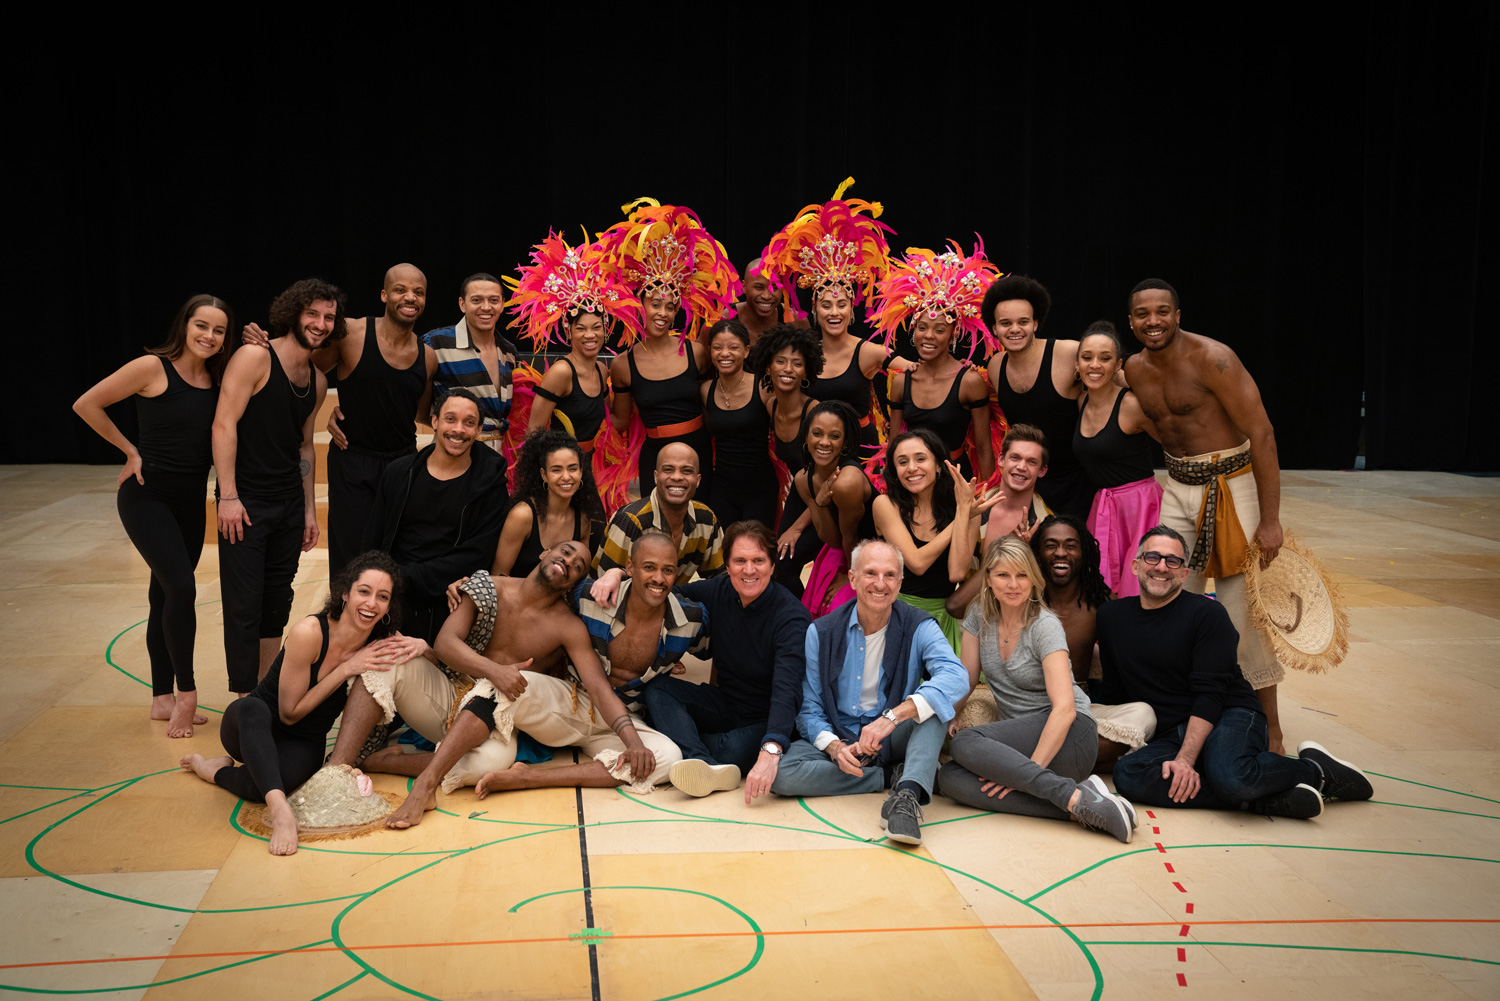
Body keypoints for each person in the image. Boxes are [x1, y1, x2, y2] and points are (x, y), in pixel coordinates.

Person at [1100, 527, 1373, 816]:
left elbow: (1210, 695)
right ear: (1136, 564)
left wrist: (1185, 760)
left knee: (1232, 777)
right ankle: (1260, 799)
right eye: (1152, 557)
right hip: (1172, 730)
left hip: (1228, 714)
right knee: (1129, 773)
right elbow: (1115, 693)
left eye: (1173, 561)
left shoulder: (1207, 614)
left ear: (1184, 574)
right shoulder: (1112, 617)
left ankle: (1317, 771)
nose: (1161, 567)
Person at [322, 540, 597, 828]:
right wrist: (495, 671)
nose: (568, 561)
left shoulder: (566, 626)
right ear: (545, 552)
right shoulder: (487, 586)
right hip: (452, 693)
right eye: (565, 552)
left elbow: (595, 686)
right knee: (388, 658)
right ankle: (335, 773)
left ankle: (380, 762)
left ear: (572, 586)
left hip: (499, 718)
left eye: (577, 566)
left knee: (488, 766)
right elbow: (445, 644)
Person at [1122, 279, 1289, 753]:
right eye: (1142, 314)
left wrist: (1270, 520)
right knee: (1163, 593)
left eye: (1162, 312)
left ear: (1178, 314)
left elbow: (1263, 432)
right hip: (1178, 485)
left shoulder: (1214, 358)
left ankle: (1271, 729)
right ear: (1130, 321)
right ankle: (1179, 713)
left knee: (1243, 612)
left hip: (1234, 485)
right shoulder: (1132, 368)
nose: (1152, 321)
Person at [73, 294, 235, 736]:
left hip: (188, 503)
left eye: (219, 330)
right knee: (182, 588)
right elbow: (86, 403)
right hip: (146, 497)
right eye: (201, 325)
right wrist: (130, 450)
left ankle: (160, 698)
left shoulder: (219, 378)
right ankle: (186, 695)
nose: (209, 336)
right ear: (184, 325)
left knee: (163, 595)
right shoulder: (151, 368)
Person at [179, 552, 414, 855]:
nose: (371, 603)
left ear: (388, 607)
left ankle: (211, 770)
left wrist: (421, 645)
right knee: (252, 707)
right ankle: (281, 814)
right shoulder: (310, 633)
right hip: (251, 726)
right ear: (345, 593)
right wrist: (346, 668)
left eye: (382, 597)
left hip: (303, 741)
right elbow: (289, 713)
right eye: (364, 591)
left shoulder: (380, 642)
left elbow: (428, 660)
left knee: (272, 784)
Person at [466, 531, 708, 799]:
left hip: (624, 719)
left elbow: (727, 641)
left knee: (668, 757)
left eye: (668, 570)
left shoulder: (691, 619)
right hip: (570, 700)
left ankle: (528, 777)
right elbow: (534, 593)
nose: (658, 578)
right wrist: (470, 588)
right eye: (649, 567)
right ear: (629, 567)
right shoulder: (589, 596)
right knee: (510, 682)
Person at [771, 540, 970, 847]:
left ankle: (906, 797)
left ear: (900, 582)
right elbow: (809, 707)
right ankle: (891, 777)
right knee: (782, 775)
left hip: (893, 735)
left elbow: (956, 675)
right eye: (871, 573)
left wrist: (893, 717)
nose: (880, 584)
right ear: (852, 579)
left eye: (890, 575)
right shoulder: (821, 632)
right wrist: (835, 748)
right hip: (842, 734)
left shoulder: (918, 625)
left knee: (932, 709)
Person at [936, 538, 1136, 843]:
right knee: (949, 779)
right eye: (1003, 575)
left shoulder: (1045, 625)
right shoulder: (979, 616)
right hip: (1019, 742)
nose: (1013, 584)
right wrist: (954, 711)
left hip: (1070, 736)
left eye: (1022, 575)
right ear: (988, 578)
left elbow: (1065, 709)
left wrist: (1027, 773)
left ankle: (1067, 794)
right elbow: (967, 678)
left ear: (1034, 580)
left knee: (965, 744)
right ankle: (1084, 805)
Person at [594, 521, 811, 800]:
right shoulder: (720, 590)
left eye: (758, 560)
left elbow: (787, 691)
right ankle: (702, 762)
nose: (749, 570)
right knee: (657, 690)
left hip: (767, 717)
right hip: (726, 703)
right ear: (728, 565)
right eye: (740, 560)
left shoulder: (791, 617)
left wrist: (771, 749)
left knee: (729, 750)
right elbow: (662, 590)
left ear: (771, 566)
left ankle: (689, 745)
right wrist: (616, 574)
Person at [212, 279, 335, 694]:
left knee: (276, 602)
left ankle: (263, 689)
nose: (320, 324)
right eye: (313, 314)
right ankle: (245, 698)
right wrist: (227, 496)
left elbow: (304, 446)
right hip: (245, 500)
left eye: (329, 317)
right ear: (293, 313)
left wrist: (306, 511)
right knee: (244, 604)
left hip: (286, 503)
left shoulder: (316, 380)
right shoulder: (255, 357)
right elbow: (223, 424)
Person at [759, 181, 911, 456]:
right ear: (815, 308)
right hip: (814, 453)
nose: (834, 312)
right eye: (826, 305)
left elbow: (917, 372)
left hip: (861, 455)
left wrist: (962, 370)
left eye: (841, 304)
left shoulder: (869, 352)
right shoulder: (803, 352)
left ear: (852, 308)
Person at [601, 201, 739, 497]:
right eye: (655, 304)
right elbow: (620, 422)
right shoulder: (624, 364)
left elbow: (719, 399)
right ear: (640, 305)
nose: (662, 313)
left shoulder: (697, 352)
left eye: (670, 306)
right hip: (656, 458)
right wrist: (590, 390)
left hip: (699, 452)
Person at [363, 389, 509, 644]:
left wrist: (401, 578)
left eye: (469, 423)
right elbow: (373, 541)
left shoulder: (490, 485)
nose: (458, 430)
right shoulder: (399, 473)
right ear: (434, 421)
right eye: (450, 419)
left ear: (478, 430)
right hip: (392, 595)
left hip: (450, 599)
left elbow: (476, 554)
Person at [316, 264, 435, 576]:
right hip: (353, 461)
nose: (410, 297)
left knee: (395, 557)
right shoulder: (351, 333)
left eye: (418, 292)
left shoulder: (428, 357)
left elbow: (421, 413)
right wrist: (321, 414)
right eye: (400, 290)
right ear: (384, 295)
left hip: (402, 465)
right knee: (351, 559)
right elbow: (305, 372)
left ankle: (390, 624)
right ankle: (342, 621)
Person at [874, 242, 1001, 480]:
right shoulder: (902, 381)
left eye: (939, 329)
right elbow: (894, 446)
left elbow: (983, 448)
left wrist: (986, 499)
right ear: (914, 331)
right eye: (922, 327)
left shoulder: (969, 381)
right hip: (913, 481)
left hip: (955, 481)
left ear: (953, 334)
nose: (929, 336)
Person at [871, 429, 999, 649]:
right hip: (897, 615)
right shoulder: (885, 505)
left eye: (921, 459)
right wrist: (963, 515)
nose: (911, 468)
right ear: (894, 471)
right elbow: (917, 563)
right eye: (902, 462)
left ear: (939, 465)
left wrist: (962, 512)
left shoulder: (962, 507)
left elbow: (957, 573)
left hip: (942, 622)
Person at [983, 274, 1096, 520]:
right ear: (994, 328)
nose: (1014, 329)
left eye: (1023, 321)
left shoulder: (1068, 353)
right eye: (1005, 323)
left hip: (1077, 482)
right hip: (1027, 482)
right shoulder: (995, 366)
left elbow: (1114, 373)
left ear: (1036, 323)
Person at [1074, 321, 1161, 598]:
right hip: (1104, 506)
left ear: (1118, 365)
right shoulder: (1082, 401)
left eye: (1105, 358)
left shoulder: (1131, 405)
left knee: (1141, 587)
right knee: (1103, 588)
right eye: (1087, 357)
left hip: (1139, 507)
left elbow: (1173, 439)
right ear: (1077, 364)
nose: (1095, 365)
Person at [782, 401, 880, 615]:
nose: (824, 442)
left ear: (845, 443)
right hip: (842, 548)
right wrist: (820, 502)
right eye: (817, 434)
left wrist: (851, 576)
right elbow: (831, 539)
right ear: (806, 438)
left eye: (834, 436)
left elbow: (851, 536)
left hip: (873, 552)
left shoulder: (847, 482)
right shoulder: (803, 479)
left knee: (836, 610)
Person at [594, 442, 724, 585]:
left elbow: (720, 577)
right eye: (668, 470)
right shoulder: (631, 520)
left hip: (671, 599)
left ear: (698, 480)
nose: (677, 477)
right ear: (656, 477)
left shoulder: (706, 519)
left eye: (686, 471)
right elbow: (604, 585)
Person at [489, 429, 603, 579]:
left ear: (581, 471)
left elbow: (580, 577)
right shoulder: (523, 515)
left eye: (573, 469)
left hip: (559, 601)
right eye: (556, 470)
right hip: (516, 599)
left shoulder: (582, 519)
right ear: (544, 475)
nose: (566, 477)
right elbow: (499, 576)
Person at [424, 273, 518, 450]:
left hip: (499, 460)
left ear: (503, 304)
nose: (486, 307)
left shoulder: (509, 352)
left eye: (493, 300)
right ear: (462, 304)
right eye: (476, 300)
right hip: (453, 452)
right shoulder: (436, 343)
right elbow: (420, 410)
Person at [702, 318, 777, 527]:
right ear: (710, 351)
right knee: (723, 551)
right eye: (718, 348)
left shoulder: (763, 386)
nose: (725, 354)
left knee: (755, 548)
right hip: (722, 488)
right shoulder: (706, 390)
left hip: (760, 488)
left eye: (733, 347)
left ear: (746, 351)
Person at [729, 258, 809, 343]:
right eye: (759, 287)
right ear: (744, 287)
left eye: (774, 288)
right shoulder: (726, 319)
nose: (766, 296)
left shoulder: (796, 322)